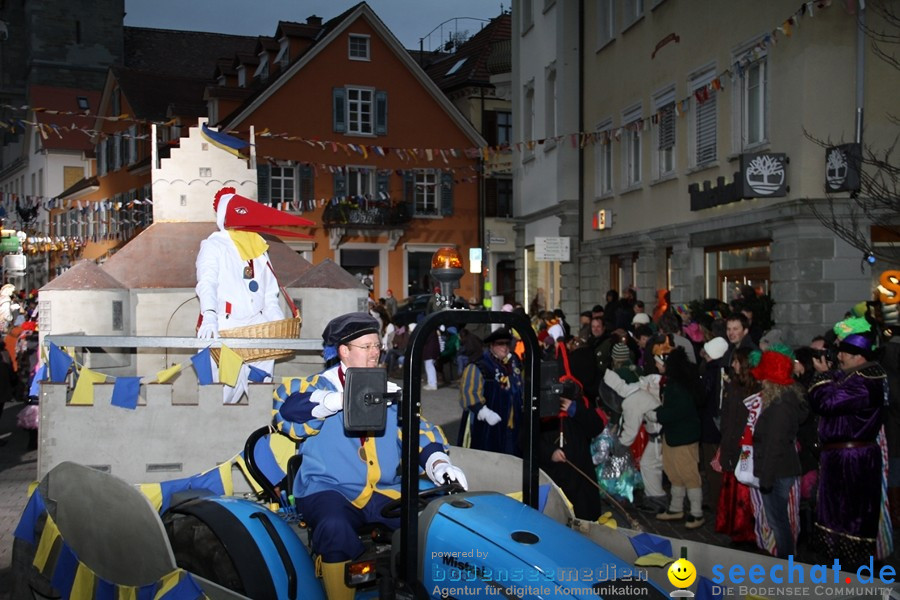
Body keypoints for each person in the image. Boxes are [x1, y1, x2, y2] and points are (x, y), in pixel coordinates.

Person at [273, 312, 467, 599]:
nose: (375, 352)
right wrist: (334, 401)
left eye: (378, 346)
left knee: (437, 518)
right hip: (328, 488)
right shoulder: (317, 387)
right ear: (343, 351)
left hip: (382, 491)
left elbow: (417, 432)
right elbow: (286, 412)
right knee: (334, 526)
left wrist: (439, 463)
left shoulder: (390, 392)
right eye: (367, 346)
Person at [196, 187, 313, 403]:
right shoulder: (214, 245)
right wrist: (210, 315)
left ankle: (260, 433)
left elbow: (270, 295)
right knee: (221, 393)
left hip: (259, 330)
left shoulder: (259, 248)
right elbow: (207, 283)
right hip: (225, 326)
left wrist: (277, 326)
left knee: (261, 392)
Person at [809, 317, 891, 565]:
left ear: (859, 356)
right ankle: (836, 563)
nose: (839, 357)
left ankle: (851, 570)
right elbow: (837, 384)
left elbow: (827, 402)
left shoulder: (867, 382)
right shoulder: (857, 375)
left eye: (844, 353)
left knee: (849, 516)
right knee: (835, 514)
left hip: (852, 459)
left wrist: (821, 377)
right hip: (840, 457)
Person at [751, 350, 807, 559]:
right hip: (783, 468)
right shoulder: (787, 400)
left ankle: (786, 561)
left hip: (778, 471)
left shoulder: (780, 406)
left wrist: (766, 479)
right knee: (779, 519)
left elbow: (774, 446)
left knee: (778, 520)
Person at [653, 340, 705, 528]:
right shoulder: (673, 383)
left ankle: (697, 511)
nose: (656, 366)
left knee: (689, 473)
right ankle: (676, 507)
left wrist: (659, 414)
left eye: (658, 362)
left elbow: (678, 410)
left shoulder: (679, 386)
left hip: (684, 436)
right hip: (674, 435)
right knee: (674, 471)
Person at [715, 347, 760, 544]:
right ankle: (730, 525)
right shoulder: (732, 386)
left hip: (745, 448)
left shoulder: (755, 389)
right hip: (730, 444)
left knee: (742, 490)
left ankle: (744, 531)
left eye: (736, 361)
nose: (733, 365)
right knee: (730, 486)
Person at [458, 328, 524, 456]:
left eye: (507, 343)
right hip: (488, 426)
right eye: (500, 344)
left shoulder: (514, 363)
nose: (504, 347)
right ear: (492, 345)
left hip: (513, 424)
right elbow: (468, 394)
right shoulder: (480, 365)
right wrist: (484, 412)